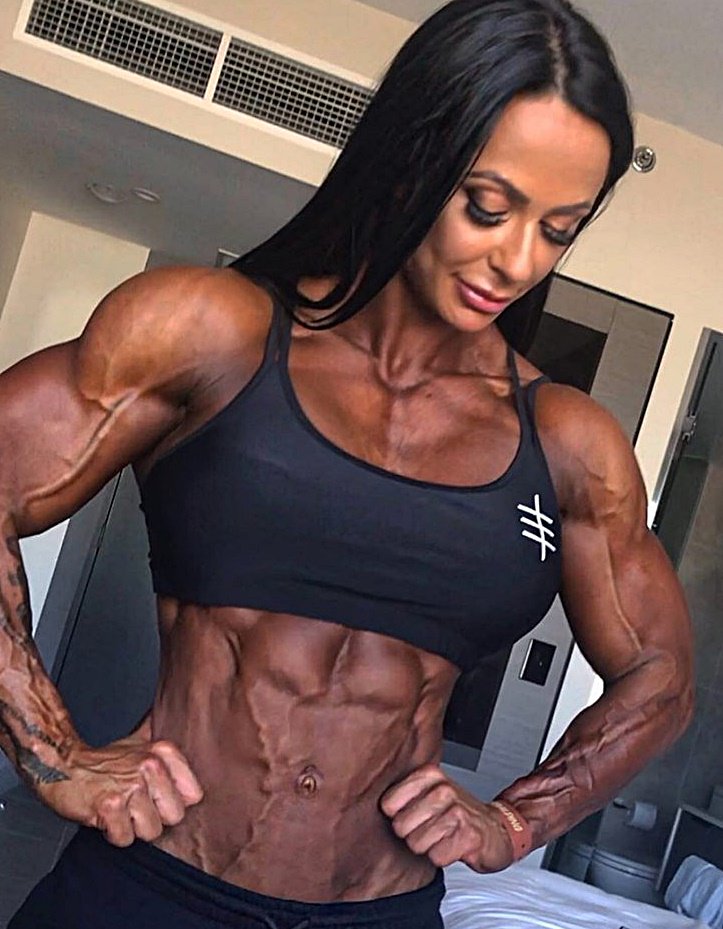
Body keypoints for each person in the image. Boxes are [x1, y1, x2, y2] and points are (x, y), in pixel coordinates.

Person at [1, 1, 693, 927]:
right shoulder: (210, 333)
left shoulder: (569, 443)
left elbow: (661, 671)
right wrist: (52, 751)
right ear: (409, 158)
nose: (517, 260)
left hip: (380, 910)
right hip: (148, 887)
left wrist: (516, 820)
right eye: (487, 208)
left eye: (557, 230)